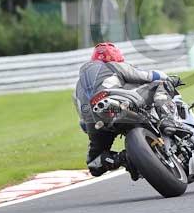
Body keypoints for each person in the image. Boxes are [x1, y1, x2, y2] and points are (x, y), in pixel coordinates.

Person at [73, 42, 181, 178]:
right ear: (115, 55)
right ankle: (167, 119)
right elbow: (149, 76)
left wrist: (91, 127)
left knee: (94, 164)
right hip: (121, 102)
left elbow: (82, 121)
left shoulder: (77, 87)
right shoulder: (113, 65)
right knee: (161, 85)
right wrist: (169, 78)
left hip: (96, 120)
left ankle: (123, 158)